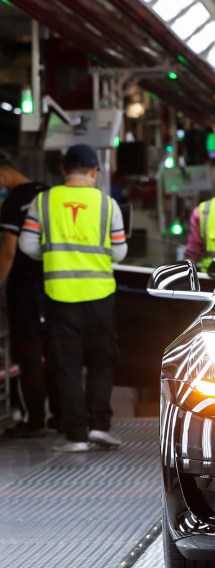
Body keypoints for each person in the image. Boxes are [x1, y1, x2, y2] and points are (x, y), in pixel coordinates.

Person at [19, 144, 128, 452]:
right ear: (94, 170)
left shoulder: (42, 202)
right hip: (100, 296)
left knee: (67, 365)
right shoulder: (108, 205)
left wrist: (57, 256)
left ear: (65, 170)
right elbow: (119, 251)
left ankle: (76, 435)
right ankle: (99, 427)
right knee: (101, 362)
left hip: (60, 295)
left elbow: (27, 246)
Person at [0, 152, 57, 438]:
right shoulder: (49, 195)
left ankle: (35, 420)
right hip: (54, 285)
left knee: (30, 355)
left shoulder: (12, 203)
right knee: (56, 350)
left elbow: (9, 251)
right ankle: (62, 416)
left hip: (24, 288)